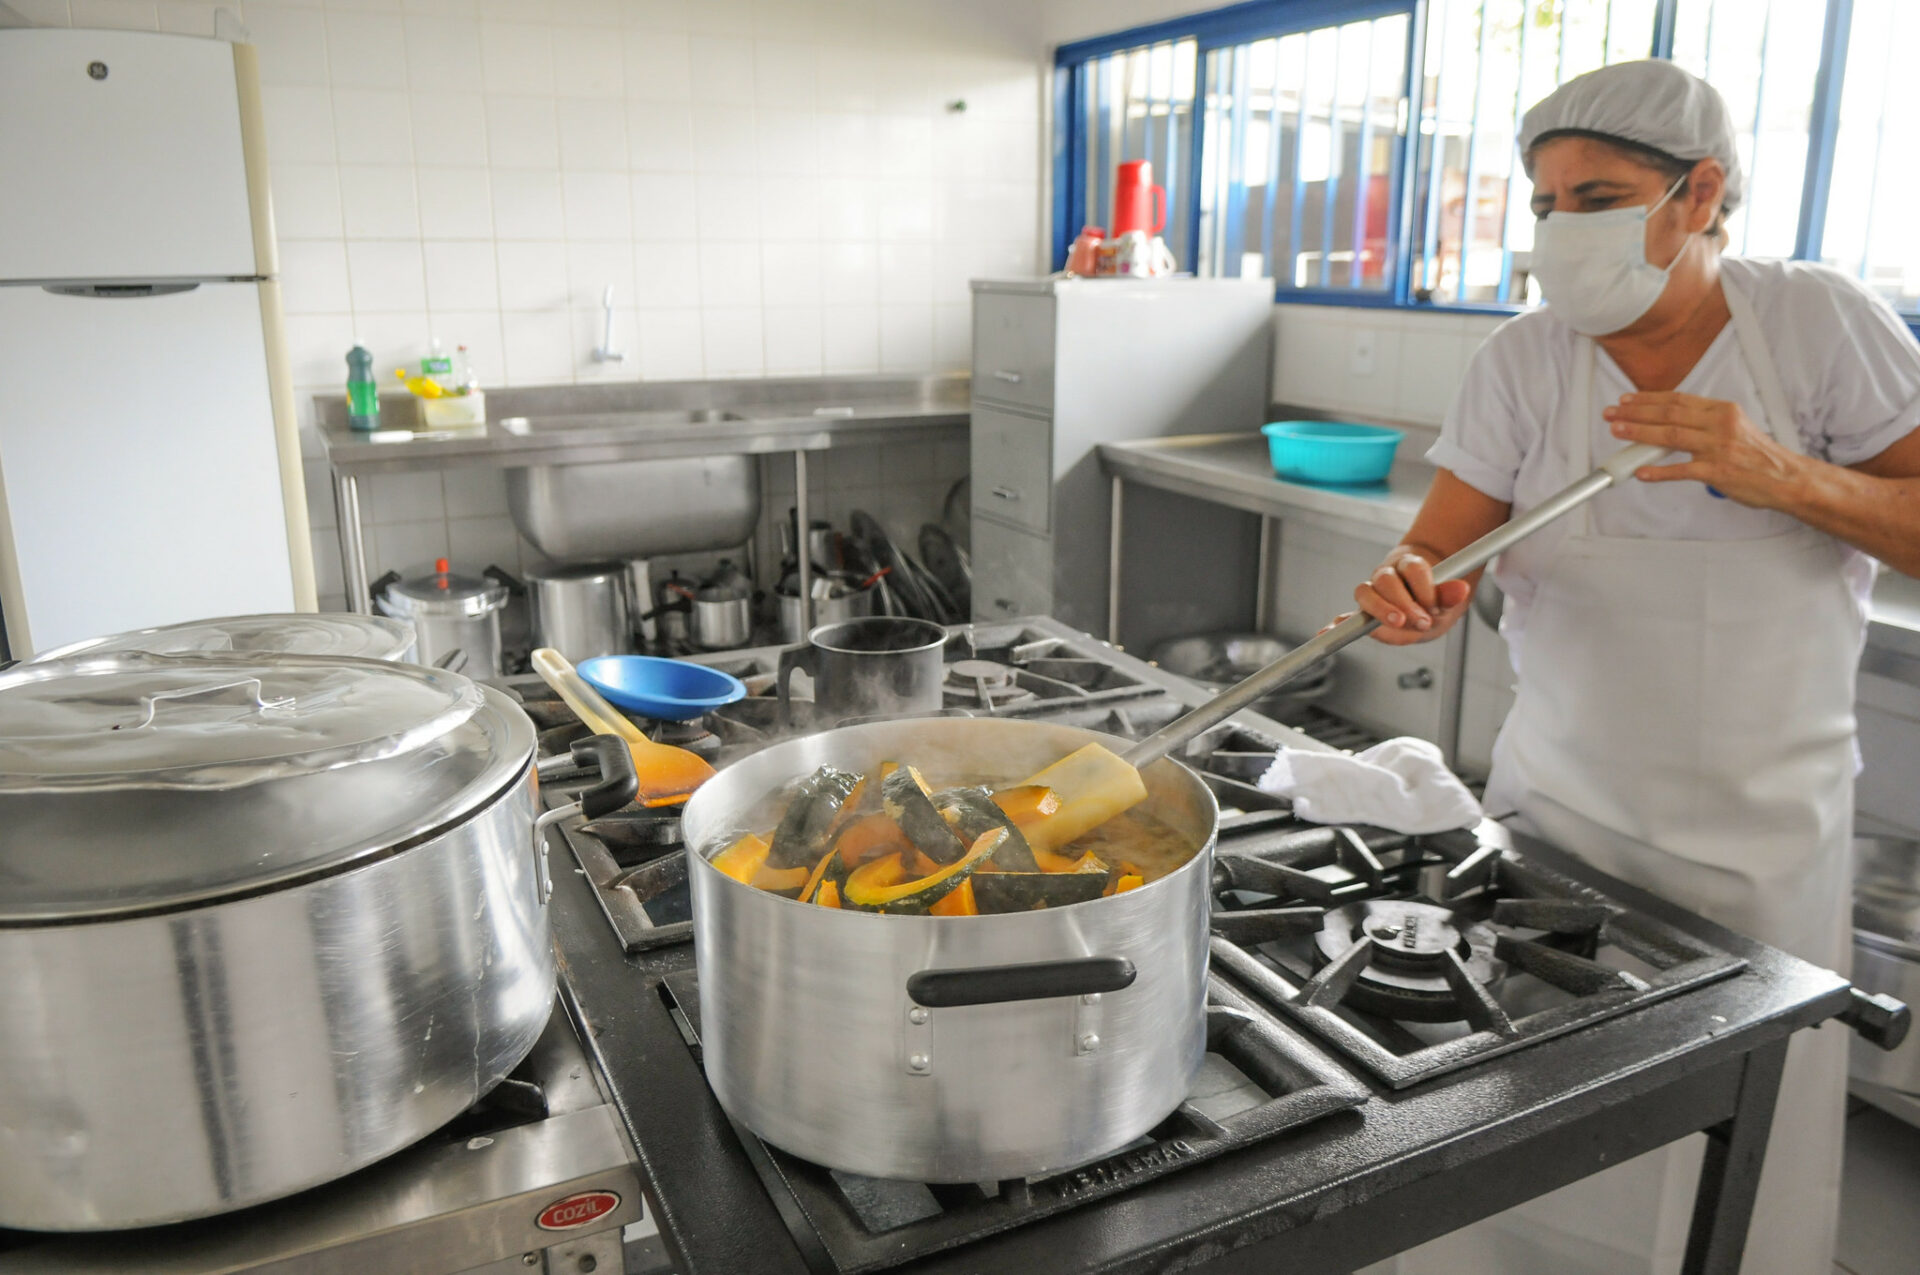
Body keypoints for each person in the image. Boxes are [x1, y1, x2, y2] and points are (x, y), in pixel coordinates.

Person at [1350, 60, 1920, 1275]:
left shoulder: (1818, 324)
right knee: (1523, 1123)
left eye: (1596, 194)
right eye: (1546, 203)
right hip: (1560, 824)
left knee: (1729, 1146)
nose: (1560, 231)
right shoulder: (1525, 359)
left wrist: (1786, 476)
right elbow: (1440, 544)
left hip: (1762, 848)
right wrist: (1410, 587)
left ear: (1699, 193)